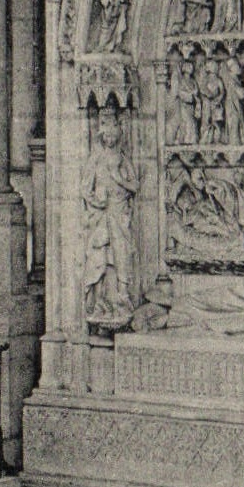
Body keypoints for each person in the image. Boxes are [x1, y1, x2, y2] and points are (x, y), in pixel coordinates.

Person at [81, 111, 138, 328]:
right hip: (102, 215)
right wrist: (96, 201)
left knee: (121, 255)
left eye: (113, 135)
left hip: (120, 213)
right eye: (106, 136)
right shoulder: (96, 160)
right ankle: (99, 302)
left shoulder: (122, 159)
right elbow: (85, 189)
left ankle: (122, 298)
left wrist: (119, 179)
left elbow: (135, 186)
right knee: (99, 257)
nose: (110, 139)